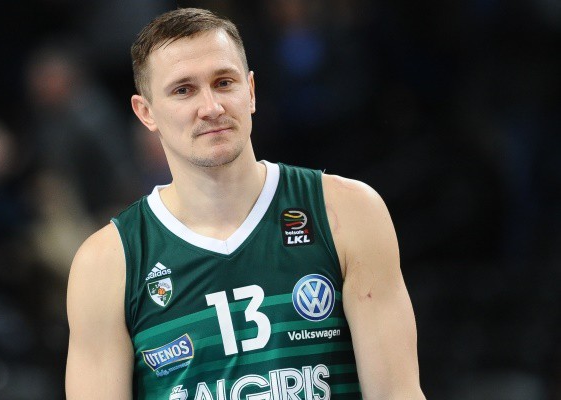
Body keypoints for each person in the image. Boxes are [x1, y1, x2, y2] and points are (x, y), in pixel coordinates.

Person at [66, 8, 425, 400]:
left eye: (223, 83)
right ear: (146, 112)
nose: (211, 107)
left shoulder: (347, 212)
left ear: (250, 91)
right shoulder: (106, 264)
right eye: (183, 90)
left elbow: (397, 394)